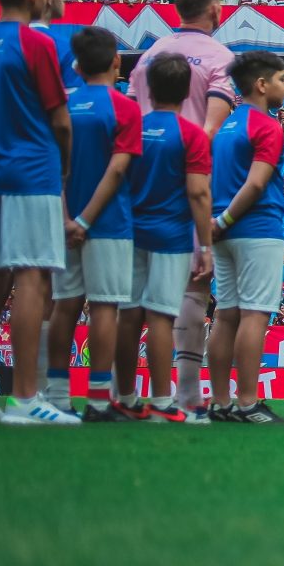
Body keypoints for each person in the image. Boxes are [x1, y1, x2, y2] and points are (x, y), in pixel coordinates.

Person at [125, 0, 236, 427]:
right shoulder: (221, 57)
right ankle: (183, 396)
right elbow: (206, 134)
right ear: (214, 10)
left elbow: (130, 121)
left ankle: (122, 395)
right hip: (184, 182)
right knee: (192, 285)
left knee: (132, 298)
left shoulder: (150, 54)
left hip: (139, 180)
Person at [0, 0, 78, 424]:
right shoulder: (36, 45)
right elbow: (61, 120)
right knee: (32, 279)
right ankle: (24, 398)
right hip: (34, 171)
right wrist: (64, 171)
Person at [115, 53, 213, 423]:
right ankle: (160, 402)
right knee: (160, 315)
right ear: (188, 90)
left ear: (149, 88)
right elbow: (198, 193)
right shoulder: (191, 135)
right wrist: (203, 245)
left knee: (128, 314)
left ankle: (124, 397)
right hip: (171, 234)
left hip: (130, 232)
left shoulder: (132, 127)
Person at [55, 26, 141, 422]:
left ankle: (55, 395)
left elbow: (55, 168)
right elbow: (119, 168)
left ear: (75, 65)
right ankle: (98, 398)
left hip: (63, 219)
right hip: (108, 223)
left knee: (65, 304)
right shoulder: (124, 107)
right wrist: (88, 220)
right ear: (116, 61)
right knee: (105, 306)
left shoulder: (62, 106)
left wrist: (66, 217)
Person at [207, 51, 284, 425]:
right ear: (261, 84)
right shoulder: (267, 126)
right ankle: (247, 402)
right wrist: (225, 219)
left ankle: (221, 402)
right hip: (255, 227)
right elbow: (257, 182)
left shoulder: (224, 124)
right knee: (255, 314)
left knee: (225, 315)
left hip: (222, 231)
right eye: (282, 79)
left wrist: (217, 222)